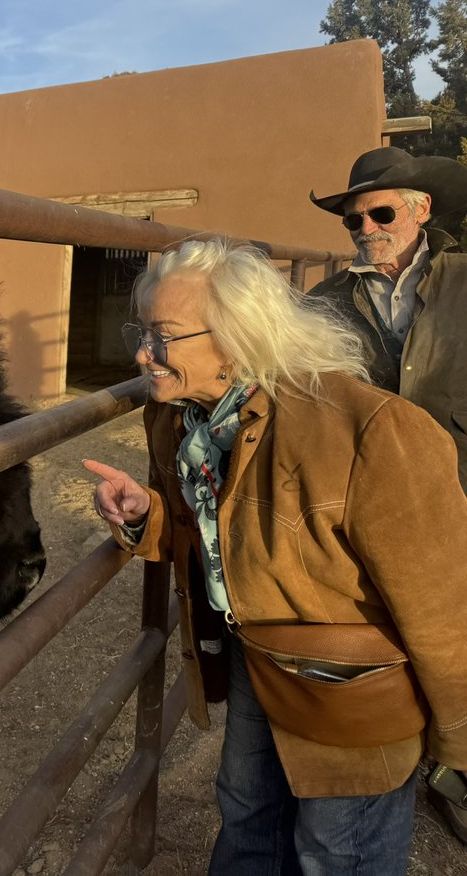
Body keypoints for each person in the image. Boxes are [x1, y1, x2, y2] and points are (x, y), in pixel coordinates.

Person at [84, 238, 467, 874]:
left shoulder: (371, 431)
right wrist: (147, 514)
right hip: (255, 652)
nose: (141, 354)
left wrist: (455, 734)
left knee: (337, 851)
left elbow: (444, 601)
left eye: (164, 336)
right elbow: (208, 532)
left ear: (236, 338)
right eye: (142, 331)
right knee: (245, 813)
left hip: (350, 691)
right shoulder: (181, 423)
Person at [309, 145, 467, 843]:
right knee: (394, 628)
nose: (367, 227)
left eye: (381, 211)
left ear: (422, 208)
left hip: (461, 492)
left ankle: (457, 763)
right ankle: (419, 759)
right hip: (373, 508)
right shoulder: (326, 304)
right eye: (353, 220)